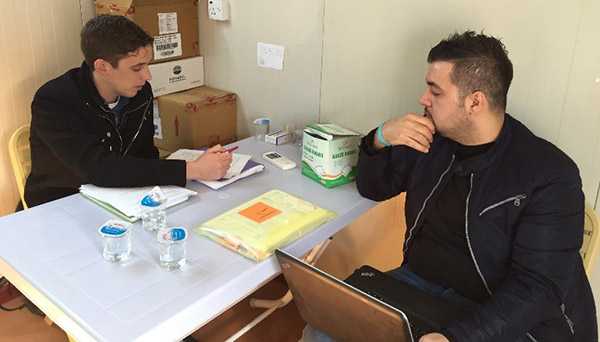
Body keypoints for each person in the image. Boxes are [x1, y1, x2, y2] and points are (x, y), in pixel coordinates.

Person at [355, 31, 597, 341]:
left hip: (501, 315)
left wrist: (457, 338)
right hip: (419, 287)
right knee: (324, 326)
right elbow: (372, 187)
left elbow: (537, 289)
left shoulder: (551, 174)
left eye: (435, 91)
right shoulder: (430, 138)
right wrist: (379, 138)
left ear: (475, 102)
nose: (423, 99)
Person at [23, 15, 231, 208]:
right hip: (62, 203)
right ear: (103, 66)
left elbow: (145, 155)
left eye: (147, 65)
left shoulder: (140, 93)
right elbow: (99, 169)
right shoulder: (54, 100)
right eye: (136, 68)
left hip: (124, 197)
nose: (147, 76)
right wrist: (194, 169)